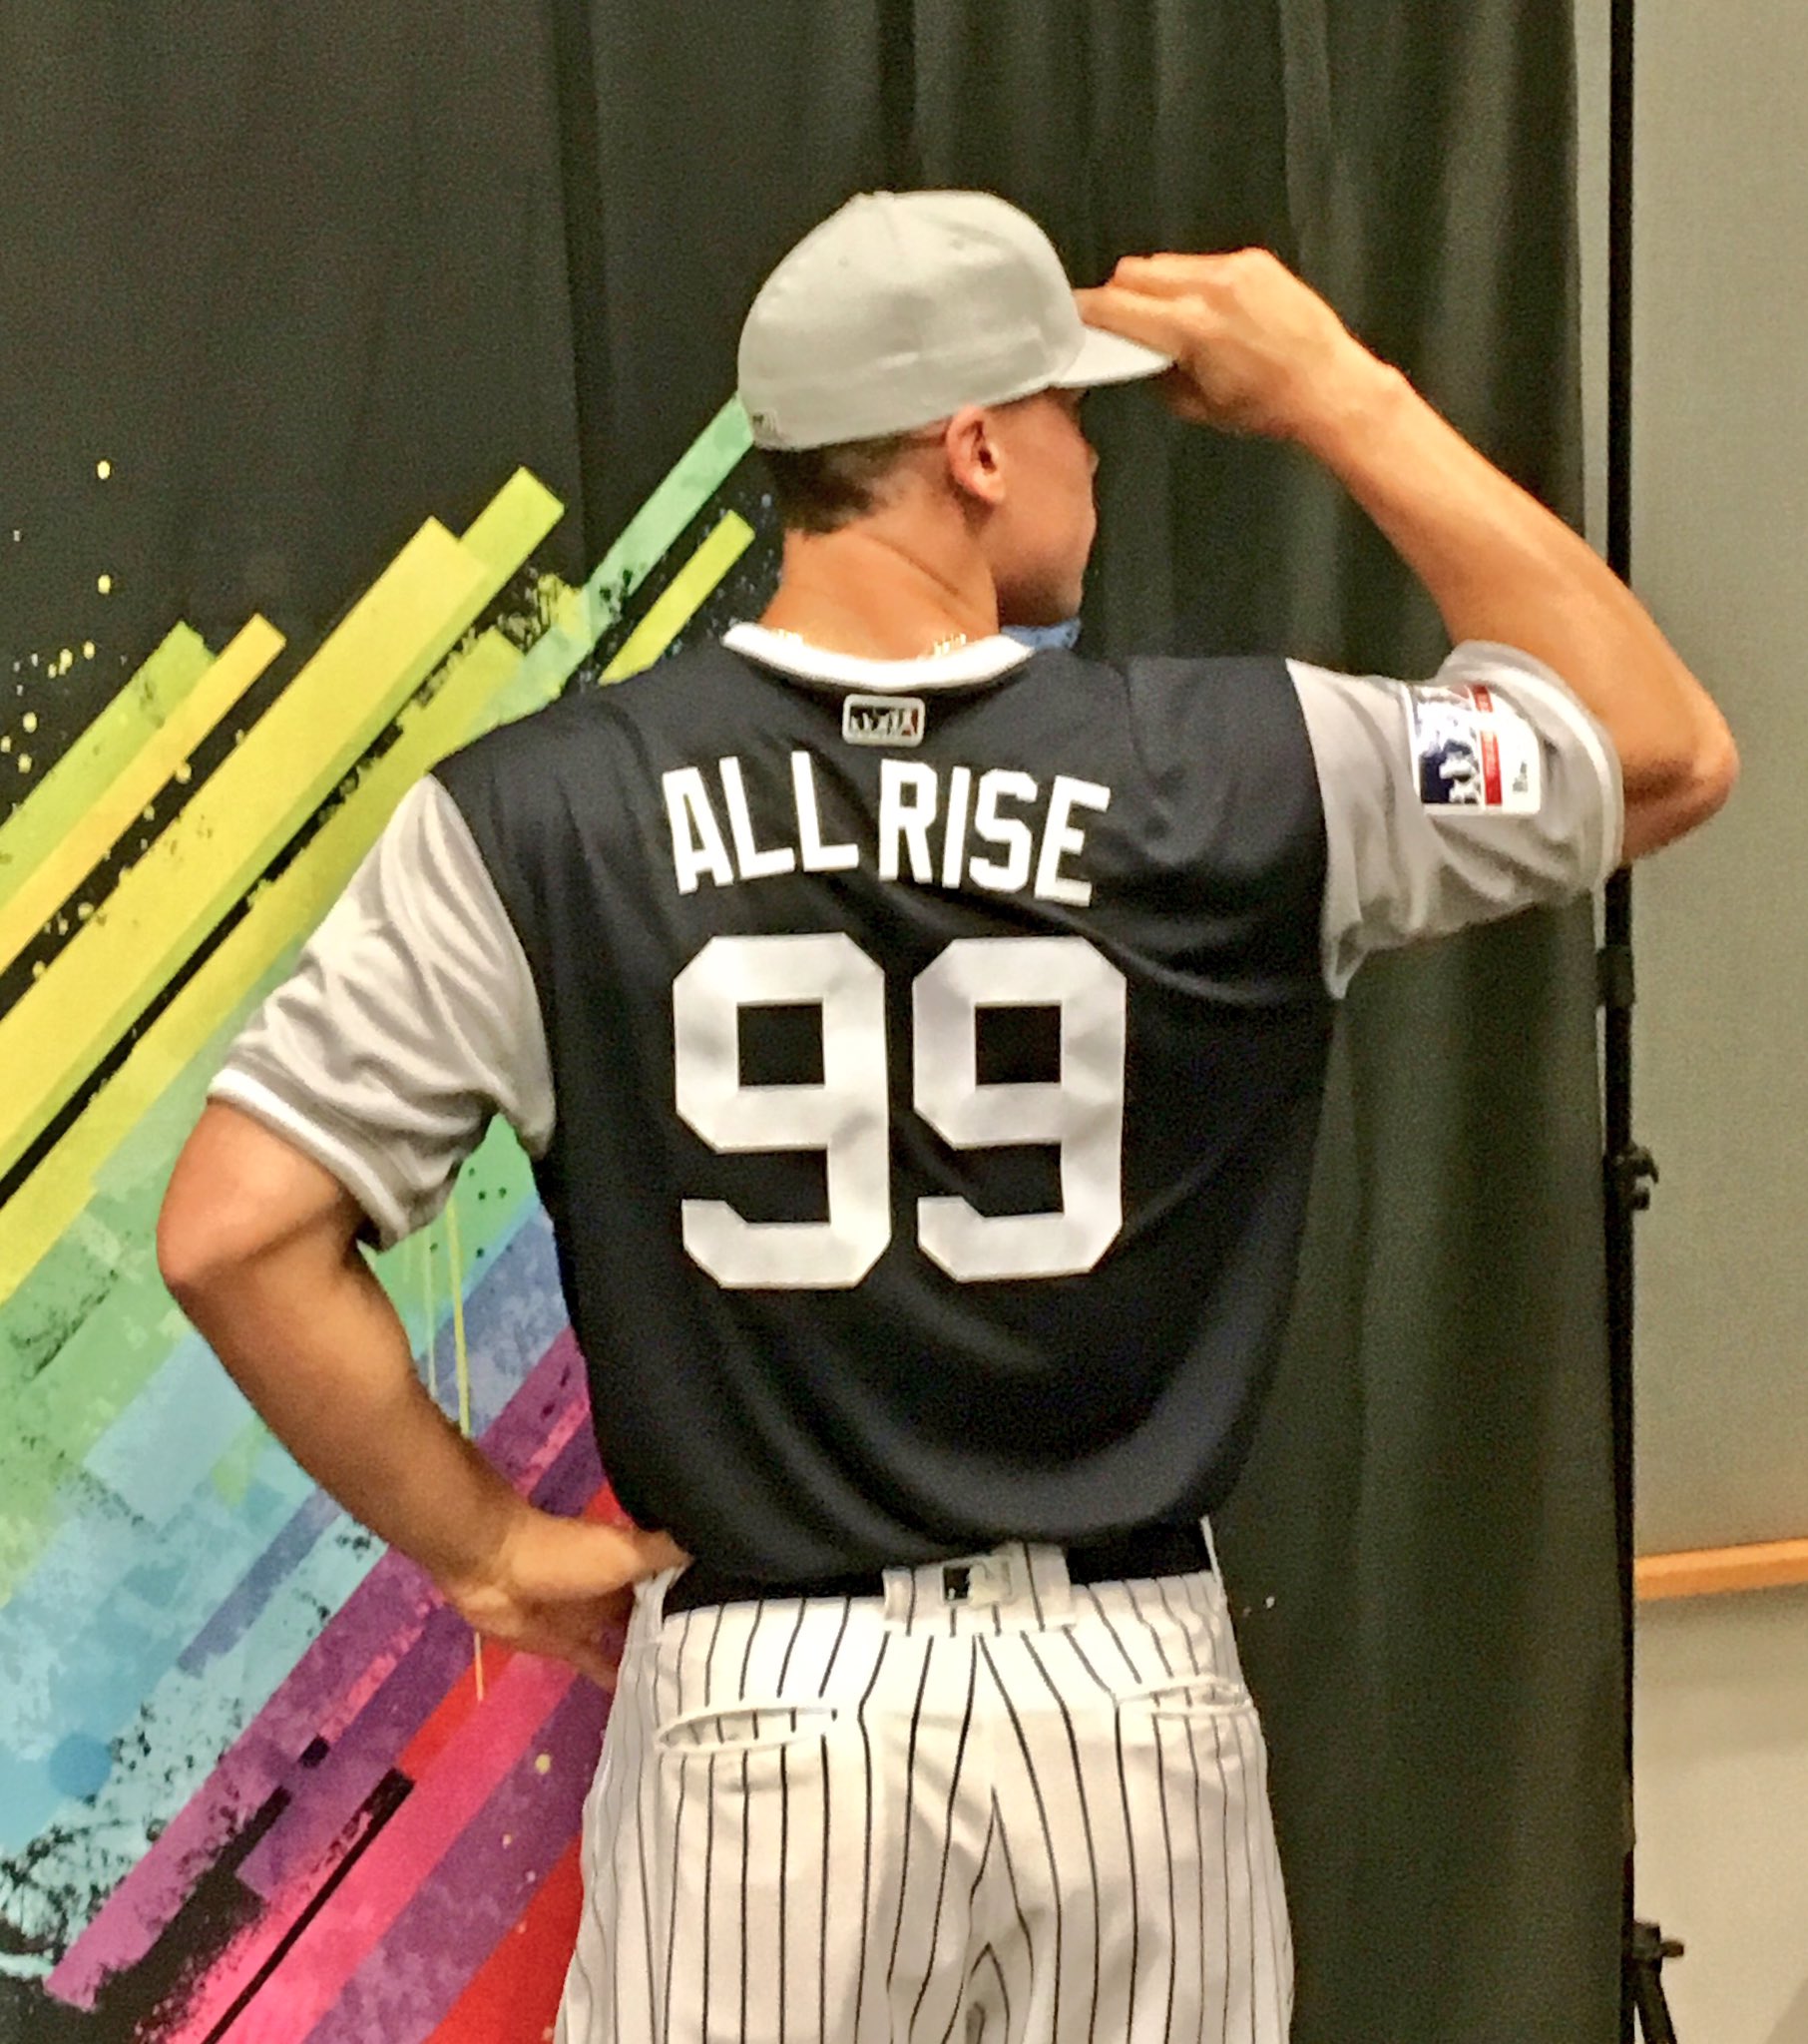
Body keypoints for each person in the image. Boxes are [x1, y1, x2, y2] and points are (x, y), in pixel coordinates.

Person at [157, 190, 1734, 2044]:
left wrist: (492, 1553)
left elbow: (236, 1229)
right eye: (1070, 414)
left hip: (764, 1706)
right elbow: (1662, 746)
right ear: (975, 446)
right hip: (1129, 1697)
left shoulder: (538, 816)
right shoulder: (1241, 769)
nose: (1092, 458)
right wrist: (1339, 391)